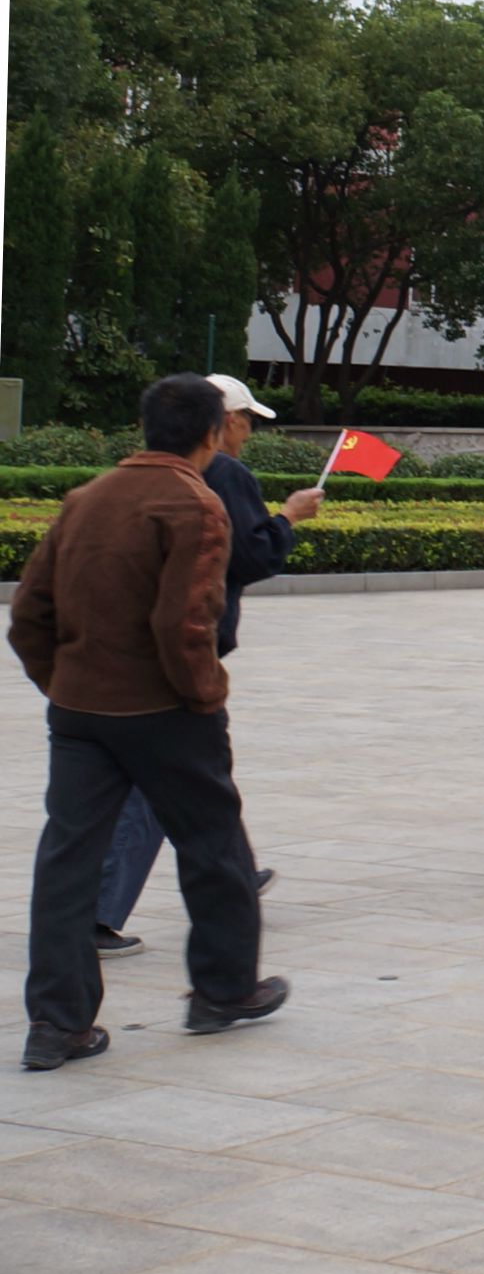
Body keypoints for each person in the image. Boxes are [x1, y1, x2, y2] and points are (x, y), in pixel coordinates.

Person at [14, 373, 288, 1067]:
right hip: (164, 707)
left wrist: (63, 683)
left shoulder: (87, 497)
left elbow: (29, 613)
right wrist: (202, 695)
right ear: (211, 433)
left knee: (68, 860)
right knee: (214, 843)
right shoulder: (194, 502)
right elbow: (183, 622)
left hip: (79, 709)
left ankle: (58, 1023)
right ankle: (223, 990)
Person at [91, 373, 308, 957]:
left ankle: (235, 872)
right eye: (247, 421)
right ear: (220, 423)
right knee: (167, 779)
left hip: (108, 664)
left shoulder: (120, 481)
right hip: (179, 659)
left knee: (202, 773)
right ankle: (102, 915)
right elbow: (251, 556)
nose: (248, 433)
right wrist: (288, 518)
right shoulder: (225, 474)